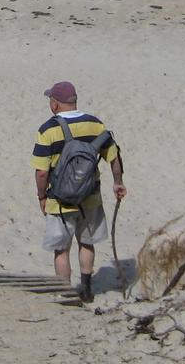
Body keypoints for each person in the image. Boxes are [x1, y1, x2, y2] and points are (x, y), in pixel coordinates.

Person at [30, 80, 126, 302]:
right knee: (87, 242)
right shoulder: (96, 125)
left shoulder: (48, 130)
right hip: (90, 196)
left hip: (60, 200)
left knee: (61, 249)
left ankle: (65, 292)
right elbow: (114, 157)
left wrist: (41, 196)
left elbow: (42, 172)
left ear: (55, 104)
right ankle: (86, 288)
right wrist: (117, 182)